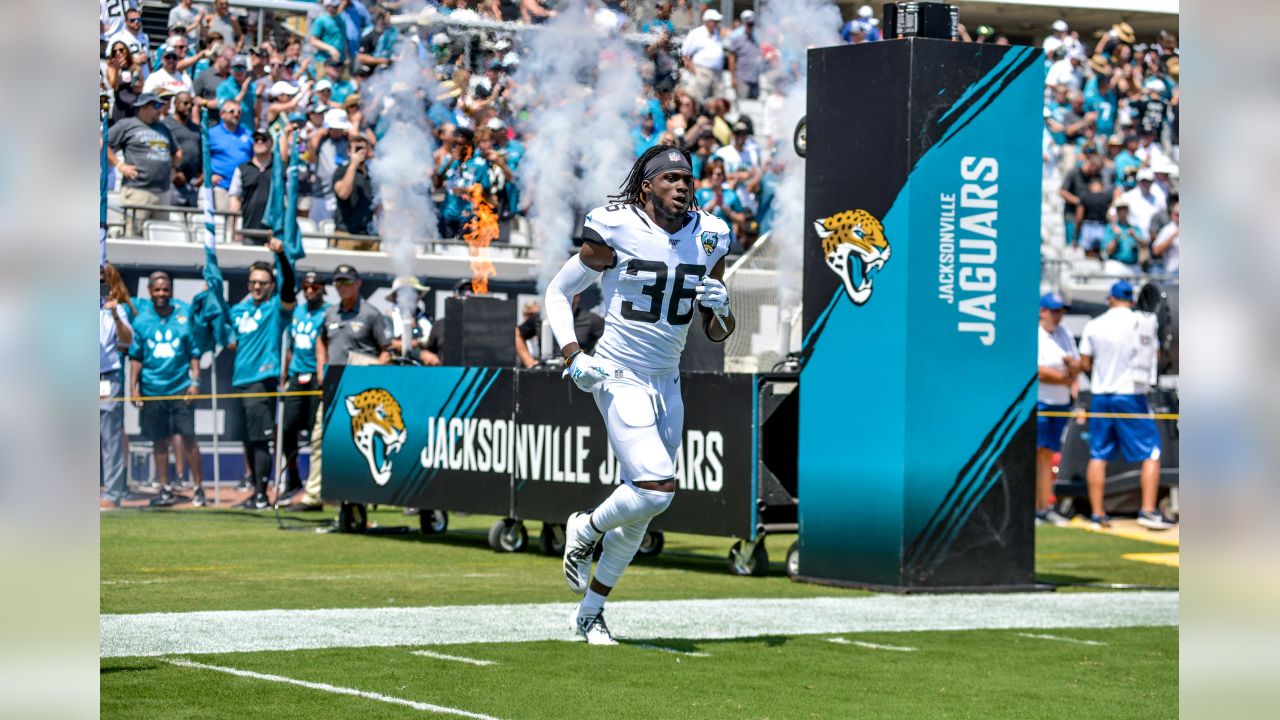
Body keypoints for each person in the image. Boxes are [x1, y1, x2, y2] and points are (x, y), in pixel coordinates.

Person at [545, 145, 734, 644]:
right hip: (619, 370)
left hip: (667, 379)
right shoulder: (617, 227)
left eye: (687, 177)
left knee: (647, 505)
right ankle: (584, 527)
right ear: (647, 185)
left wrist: (723, 306)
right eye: (670, 177)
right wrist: (573, 354)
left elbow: (717, 331)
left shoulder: (711, 235)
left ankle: (591, 611)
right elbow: (557, 293)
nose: (682, 184)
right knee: (655, 486)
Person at [289, 264, 392, 511]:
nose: (342, 286)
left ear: (358, 283)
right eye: (338, 282)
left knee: (363, 443)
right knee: (318, 439)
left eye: (347, 281)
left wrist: (373, 378)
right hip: (335, 389)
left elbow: (386, 351)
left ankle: (363, 496)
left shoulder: (370, 314)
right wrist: (322, 369)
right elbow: (321, 341)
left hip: (363, 393)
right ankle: (314, 496)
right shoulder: (331, 314)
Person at [1078, 280, 1175, 530]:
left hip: (1101, 395)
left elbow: (1085, 363)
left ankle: (1098, 515)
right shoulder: (1143, 322)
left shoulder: (1094, 324)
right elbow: (1154, 357)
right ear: (1131, 299)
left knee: (1098, 455)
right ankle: (1148, 510)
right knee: (1152, 452)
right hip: (1130, 394)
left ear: (1111, 298)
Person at [228, 238, 297, 509]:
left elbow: (290, 288)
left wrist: (280, 257)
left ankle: (262, 495)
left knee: (260, 441)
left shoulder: (276, 310)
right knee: (246, 440)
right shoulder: (239, 310)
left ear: (271, 286)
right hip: (239, 381)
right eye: (253, 282)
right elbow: (230, 339)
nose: (256, 286)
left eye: (262, 283)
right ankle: (254, 490)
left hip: (262, 381)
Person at [129, 272, 206, 507]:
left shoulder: (183, 315)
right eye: (157, 290)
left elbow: (194, 353)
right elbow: (136, 358)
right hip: (153, 389)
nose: (162, 294)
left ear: (171, 291)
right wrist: (133, 388)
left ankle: (198, 488)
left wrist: (195, 383)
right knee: (159, 441)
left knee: (189, 439)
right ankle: (164, 488)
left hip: (181, 388)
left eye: (166, 290)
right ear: (150, 291)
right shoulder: (142, 320)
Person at [281, 272, 329, 497]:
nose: (310, 290)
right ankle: (293, 478)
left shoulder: (328, 313)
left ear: (322, 289)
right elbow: (289, 347)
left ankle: (315, 482)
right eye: (306, 286)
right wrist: (285, 375)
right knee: (287, 429)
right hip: (295, 375)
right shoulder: (297, 311)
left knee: (315, 432)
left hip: (316, 377)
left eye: (315, 286)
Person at [107, 93, 180, 236]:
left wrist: (174, 168)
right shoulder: (127, 125)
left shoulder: (163, 128)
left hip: (162, 192)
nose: (161, 109)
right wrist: (119, 165)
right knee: (132, 234)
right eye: (157, 105)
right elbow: (103, 143)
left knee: (161, 237)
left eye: (162, 105)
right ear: (143, 107)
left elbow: (177, 152)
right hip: (137, 191)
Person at [1035, 293, 1079, 526]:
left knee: (1047, 455)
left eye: (1061, 310)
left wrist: (1069, 372)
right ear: (1042, 311)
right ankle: (1038, 507)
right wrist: (1065, 377)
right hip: (1040, 402)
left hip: (1060, 403)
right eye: (1054, 310)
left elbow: (1076, 364)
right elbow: (1038, 370)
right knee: (1038, 454)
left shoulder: (1065, 333)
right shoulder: (1035, 334)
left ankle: (1044, 506)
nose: (1058, 315)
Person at [100, 265, 135, 510]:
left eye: (100, 280)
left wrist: (113, 313)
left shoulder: (115, 308)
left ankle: (113, 493)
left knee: (109, 436)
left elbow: (127, 339)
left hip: (105, 377)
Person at [228, 129, 276, 240]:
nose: (259, 142)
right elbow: (235, 199)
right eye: (256, 139)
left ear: (271, 142)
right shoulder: (242, 169)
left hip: (274, 233)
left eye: (263, 139)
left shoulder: (280, 168)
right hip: (248, 228)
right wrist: (234, 229)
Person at [207, 100, 253, 210]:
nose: (236, 114)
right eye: (232, 111)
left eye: (239, 112)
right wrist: (209, 176)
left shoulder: (248, 133)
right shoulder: (211, 133)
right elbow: (202, 158)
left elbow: (253, 158)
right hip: (221, 186)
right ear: (222, 114)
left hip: (243, 187)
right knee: (223, 223)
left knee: (238, 224)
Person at [333, 135, 377, 243]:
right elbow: (343, 193)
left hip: (368, 235)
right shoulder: (341, 171)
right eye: (357, 149)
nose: (361, 152)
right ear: (349, 151)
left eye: (363, 149)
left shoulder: (372, 174)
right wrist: (354, 164)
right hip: (346, 234)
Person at [386, 276, 433, 364]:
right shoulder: (388, 320)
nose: (417, 296)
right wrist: (419, 347)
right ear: (396, 295)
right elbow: (388, 344)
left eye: (418, 292)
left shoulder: (425, 319)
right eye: (412, 292)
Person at [680, 10, 724, 104]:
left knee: (717, 102)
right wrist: (695, 71)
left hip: (717, 75)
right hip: (702, 72)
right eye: (715, 21)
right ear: (707, 21)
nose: (717, 23)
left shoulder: (716, 33)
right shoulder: (696, 33)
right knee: (698, 101)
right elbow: (684, 54)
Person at [1103, 198, 1146, 273]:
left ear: (1128, 211)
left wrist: (1135, 237)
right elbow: (1108, 251)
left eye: (1124, 209)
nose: (1122, 211)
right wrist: (1116, 237)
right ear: (1116, 211)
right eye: (1119, 209)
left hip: (1133, 265)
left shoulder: (1135, 228)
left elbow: (1144, 246)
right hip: (1116, 264)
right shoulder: (1110, 228)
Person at [727, 10, 761, 101]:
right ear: (744, 24)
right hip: (742, 79)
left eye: (752, 24)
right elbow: (732, 59)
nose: (750, 26)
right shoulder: (737, 39)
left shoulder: (756, 39)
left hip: (754, 79)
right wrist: (733, 78)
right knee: (743, 104)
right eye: (748, 24)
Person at [310, 0, 349, 66]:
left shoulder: (342, 19)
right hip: (324, 60)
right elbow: (313, 41)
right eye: (334, 6)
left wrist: (347, 55)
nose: (336, 7)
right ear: (327, 6)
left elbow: (343, 39)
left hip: (340, 62)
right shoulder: (320, 20)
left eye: (337, 5)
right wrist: (330, 49)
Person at [1151, 200, 1179, 275]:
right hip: (1173, 271)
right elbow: (1156, 250)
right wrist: (1173, 236)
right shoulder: (1167, 230)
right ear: (1173, 215)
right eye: (1178, 215)